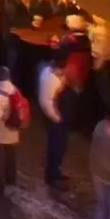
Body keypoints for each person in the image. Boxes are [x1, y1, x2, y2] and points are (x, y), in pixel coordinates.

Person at [37, 46, 72, 186]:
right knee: (56, 147)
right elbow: (47, 102)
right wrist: (58, 119)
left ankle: (55, 171)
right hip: (54, 118)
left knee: (60, 146)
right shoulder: (50, 79)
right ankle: (51, 176)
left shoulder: (51, 73)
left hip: (56, 116)